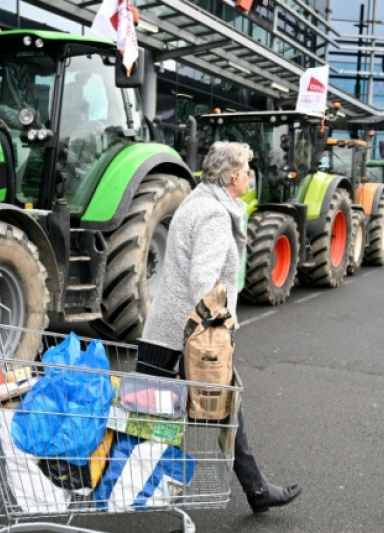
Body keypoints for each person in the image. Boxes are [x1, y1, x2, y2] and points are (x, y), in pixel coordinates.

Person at [136, 141, 302, 514]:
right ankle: (256, 490)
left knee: (152, 413)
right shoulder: (213, 215)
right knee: (218, 408)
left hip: (166, 329)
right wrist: (220, 325)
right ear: (230, 176)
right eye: (246, 170)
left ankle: (255, 489)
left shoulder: (198, 201)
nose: (249, 177)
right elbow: (202, 281)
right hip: (193, 336)